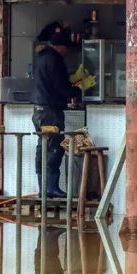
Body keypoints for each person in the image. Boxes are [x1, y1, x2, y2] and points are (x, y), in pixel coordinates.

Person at [31, 31, 94, 198]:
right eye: (66, 49)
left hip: (38, 111)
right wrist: (77, 88)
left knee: (43, 147)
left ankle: (44, 189)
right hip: (50, 111)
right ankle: (51, 189)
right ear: (61, 47)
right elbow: (60, 87)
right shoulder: (54, 59)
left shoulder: (41, 57)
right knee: (53, 148)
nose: (66, 52)